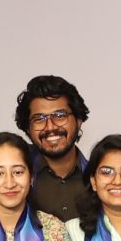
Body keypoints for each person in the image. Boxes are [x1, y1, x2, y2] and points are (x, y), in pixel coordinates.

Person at [17, 74, 96, 221]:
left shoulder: (98, 179)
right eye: (39, 119)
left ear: (79, 120)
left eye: (60, 115)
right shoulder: (15, 178)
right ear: (28, 128)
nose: (50, 127)